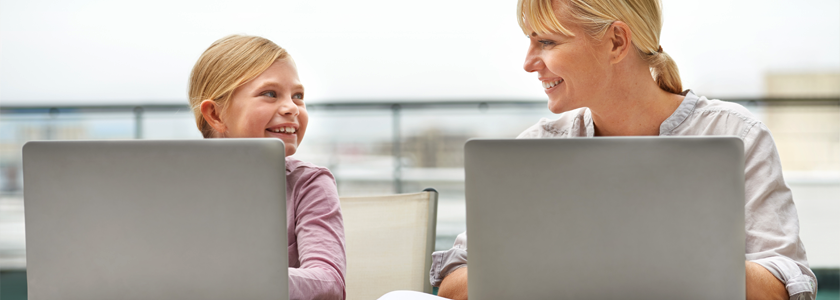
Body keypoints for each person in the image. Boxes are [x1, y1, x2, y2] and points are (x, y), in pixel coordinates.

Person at [429, 0, 818, 300]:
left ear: (616, 41)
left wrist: (649, 252)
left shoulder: (736, 134)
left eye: (546, 41)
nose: (529, 63)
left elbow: (782, 287)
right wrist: (571, 257)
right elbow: (453, 283)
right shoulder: (537, 147)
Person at [188, 35, 346, 300]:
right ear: (215, 115)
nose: (292, 108)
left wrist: (238, 279)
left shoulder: (309, 184)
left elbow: (328, 282)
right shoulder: (176, 184)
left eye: (298, 96)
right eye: (270, 94)